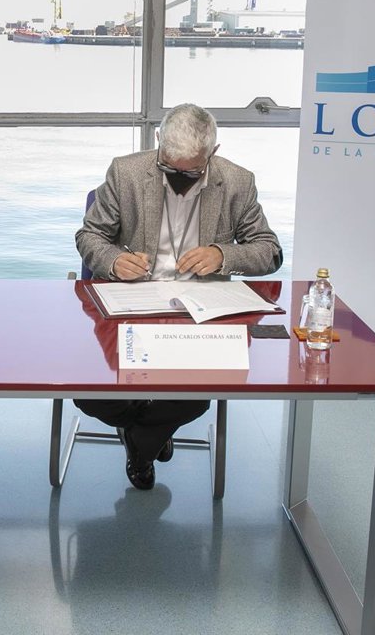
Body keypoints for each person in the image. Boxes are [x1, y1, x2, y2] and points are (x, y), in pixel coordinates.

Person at [74, 103, 282, 490]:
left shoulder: (237, 182)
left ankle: (140, 443)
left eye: (192, 172)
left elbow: (269, 251)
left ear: (213, 153)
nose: (179, 180)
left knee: (196, 396)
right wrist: (114, 261)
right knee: (89, 394)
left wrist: (224, 255)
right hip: (132, 303)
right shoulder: (125, 172)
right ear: (158, 143)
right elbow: (89, 237)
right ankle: (152, 433)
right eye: (170, 168)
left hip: (201, 311)